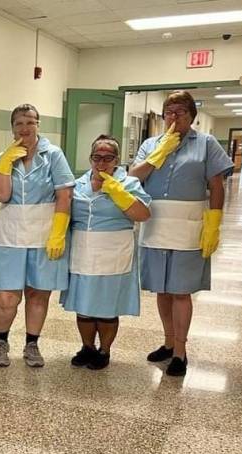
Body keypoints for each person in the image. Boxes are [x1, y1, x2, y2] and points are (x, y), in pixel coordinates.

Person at [129, 91, 233, 376]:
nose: (174, 118)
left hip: (188, 224)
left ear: (191, 117)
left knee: (180, 291)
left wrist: (214, 221)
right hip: (156, 223)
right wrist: (158, 154)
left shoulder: (206, 144)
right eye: (169, 113)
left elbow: (217, 185)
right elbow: (134, 176)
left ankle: (180, 351)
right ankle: (166, 341)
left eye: (180, 113)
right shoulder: (151, 144)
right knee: (162, 289)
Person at [0, 104, 75, 368]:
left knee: (38, 294)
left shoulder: (53, 155)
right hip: (10, 236)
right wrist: (5, 164)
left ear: (38, 125)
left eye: (30, 122)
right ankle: (1, 341)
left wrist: (58, 233)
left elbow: (65, 194)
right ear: (12, 127)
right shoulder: (4, 156)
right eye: (19, 124)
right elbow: (1, 195)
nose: (24, 129)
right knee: (6, 298)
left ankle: (32, 344)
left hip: (43, 234)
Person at [60, 135, 151, 370]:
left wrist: (119, 193)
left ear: (116, 160)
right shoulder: (77, 184)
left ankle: (105, 350)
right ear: (90, 158)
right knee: (84, 305)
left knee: (107, 307)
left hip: (114, 251)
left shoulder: (129, 183)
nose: (101, 163)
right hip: (83, 251)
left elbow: (143, 214)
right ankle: (87, 347)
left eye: (108, 158)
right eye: (96, 157)